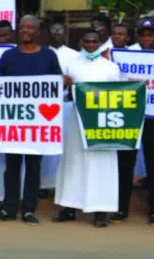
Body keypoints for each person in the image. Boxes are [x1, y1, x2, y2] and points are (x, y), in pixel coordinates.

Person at [0, 15, 62, 225]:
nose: (26, 31)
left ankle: (29, 209)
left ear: (38, 32)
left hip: (38, 125)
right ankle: (8, 208)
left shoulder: (48, 56)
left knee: (33, 167)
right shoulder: (8, 56)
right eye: (23, 27)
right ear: (18, 31)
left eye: (31, 28)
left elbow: (56, 85)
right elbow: (0, 85)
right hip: (14, 124)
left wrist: (63, 82)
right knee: (11, 167)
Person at [53, 30, 120, 228]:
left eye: (94, 42)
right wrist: (67, 88)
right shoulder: (72, 65)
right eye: (87, 41)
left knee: (101, 164)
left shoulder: (111, 68)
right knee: (74, 162)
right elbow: (65, 96)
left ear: (99, 44)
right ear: (81, 43)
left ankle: (100, 210)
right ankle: (69, 207)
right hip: (76, 121)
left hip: (101, 124)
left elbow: (118, 96)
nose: (90, 45)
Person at [116, 18, 154, 224]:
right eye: (143, 34)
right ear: (137, 36)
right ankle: (121, 208)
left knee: (152, 163)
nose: (147, 38)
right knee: (124, 164)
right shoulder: (126, 54)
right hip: (128, 117)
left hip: (152, 118)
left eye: (150, 34)